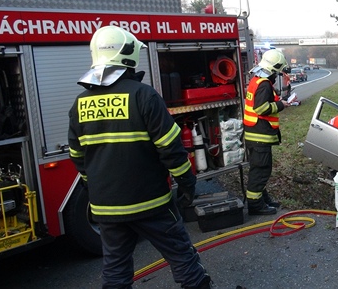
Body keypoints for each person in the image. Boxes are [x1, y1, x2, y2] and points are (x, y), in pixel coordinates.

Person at [68, 26, 211, 289]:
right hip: (150, 203)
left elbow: (77, 156)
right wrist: (187, 184)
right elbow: (170, 148)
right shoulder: (143, 96)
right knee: (182, 258)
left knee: (115, 270)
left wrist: (95, 185)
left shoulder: (79, 103)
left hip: (105, 208)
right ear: (128, 54)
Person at [243, 49, 291, 215]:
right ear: (274, 69)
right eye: (277, 73)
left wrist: (280, 97)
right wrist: (281, 105)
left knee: (260, 169)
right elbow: (261, 108)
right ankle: (256, 206)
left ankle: (262, 199)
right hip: (259, 137)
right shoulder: (264, 84)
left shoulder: (256, 80)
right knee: (261, 170)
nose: (276, 76)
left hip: (254, 135)